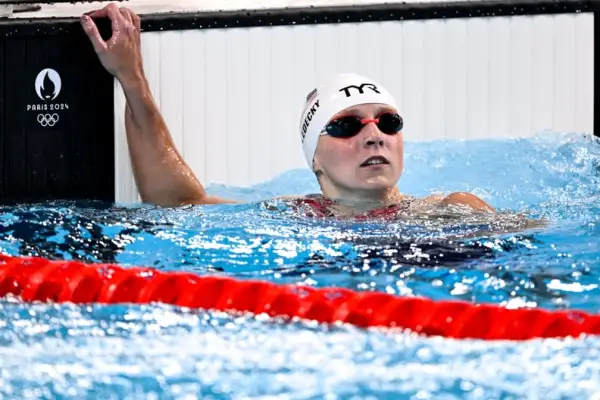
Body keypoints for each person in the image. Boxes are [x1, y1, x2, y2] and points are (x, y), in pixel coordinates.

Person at [80, 4, 495, 219]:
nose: (374, 135)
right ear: (315, 159)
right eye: (347, 125)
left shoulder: (455, 210)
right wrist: (130, 78)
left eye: (388, 121)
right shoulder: (298, 216)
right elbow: (177, 201)